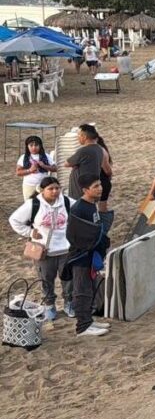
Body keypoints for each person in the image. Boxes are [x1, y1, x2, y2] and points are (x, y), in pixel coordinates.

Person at [8, 177, 75, 321]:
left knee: (68, 279)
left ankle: (69, 303)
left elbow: (80, 214)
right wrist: (30, 232)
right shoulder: (34, 204)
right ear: (43, 190)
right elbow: (14, 220)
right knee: (46, 280)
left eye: (57, 188)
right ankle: (50, 306)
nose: (55, 191)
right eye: (51, 189)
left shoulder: (67, 202)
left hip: (66, 249)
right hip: (44, 251)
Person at [63, 173, 111, 337]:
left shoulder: (92, 205)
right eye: (95, 186)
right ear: (85, 189)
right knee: (81, 290)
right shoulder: (79, 208)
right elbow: (73, 235)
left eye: (100, 185)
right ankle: (82, 326)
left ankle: (88, 320)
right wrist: (89, 246)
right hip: (81, 257)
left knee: (90, 289)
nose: (100, 188)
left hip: (91, 256)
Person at [65, 124, 110, 201]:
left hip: (80, 190)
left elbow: (66, 163)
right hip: (92, 186)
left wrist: (76, 164)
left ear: (84, 137)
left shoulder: (83, 150)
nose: (78, 137)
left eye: (79, 135)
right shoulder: (99, 149)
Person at [15, 135, 57, 201]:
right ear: (27, 146)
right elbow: (18, 172)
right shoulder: (23, 157)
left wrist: (44, 166)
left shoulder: (46, 156)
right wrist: (30, 170)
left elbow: (55, 168)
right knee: (30, 204)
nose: (34, 147)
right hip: (29, 186)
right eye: (31, 145)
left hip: (44, 186)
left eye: (36, 145)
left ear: (40, 146)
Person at [95, 135, 114, 213]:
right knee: (102, 207)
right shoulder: (102, 150)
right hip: (103, 181)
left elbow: (108, 171)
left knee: (102, 208)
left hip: (101, 182)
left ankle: (103, 223)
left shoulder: (100, 152)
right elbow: (108, 172)